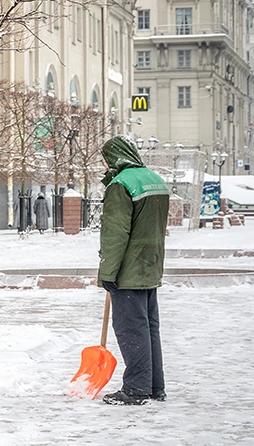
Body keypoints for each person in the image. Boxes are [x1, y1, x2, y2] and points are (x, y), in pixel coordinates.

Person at [97, 135, 170, 406]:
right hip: (150, 266)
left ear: (115, 157)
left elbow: (115, 234)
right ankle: (154, 386)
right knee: (149, 328)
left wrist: (107, 273)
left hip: (128, 271)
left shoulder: (121, 184)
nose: (105, 167)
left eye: (105, 160)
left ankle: (136, 389)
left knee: (130, 329)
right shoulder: (155, 179)